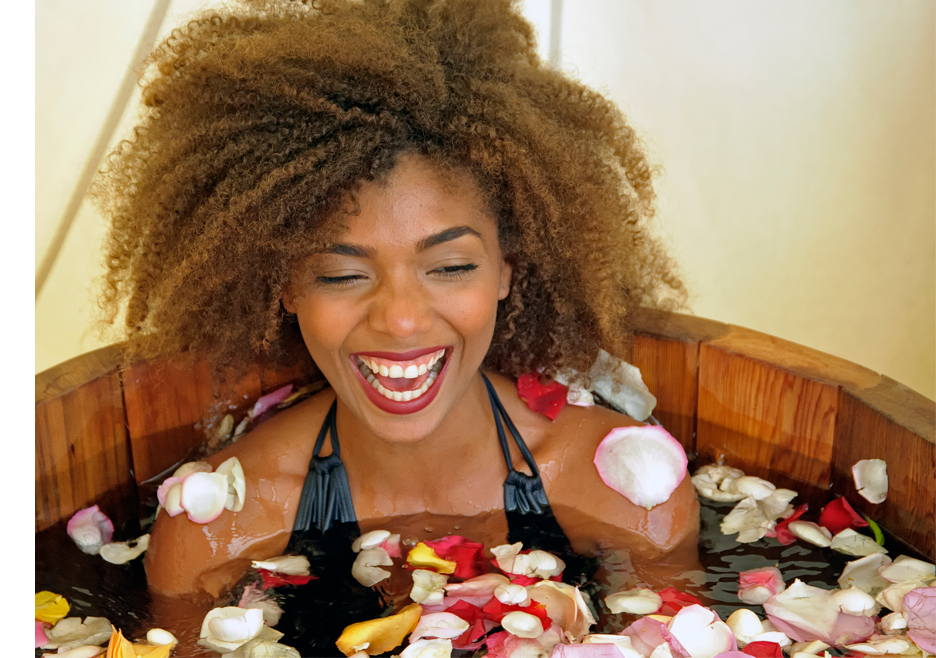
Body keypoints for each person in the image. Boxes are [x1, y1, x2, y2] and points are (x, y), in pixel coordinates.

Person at [92, 0, 699, 651]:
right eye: (342, 273)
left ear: (508, 272)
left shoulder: (627, 493)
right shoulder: (218, 524)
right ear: (287, 285)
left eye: (451, 265)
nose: (402, 318)